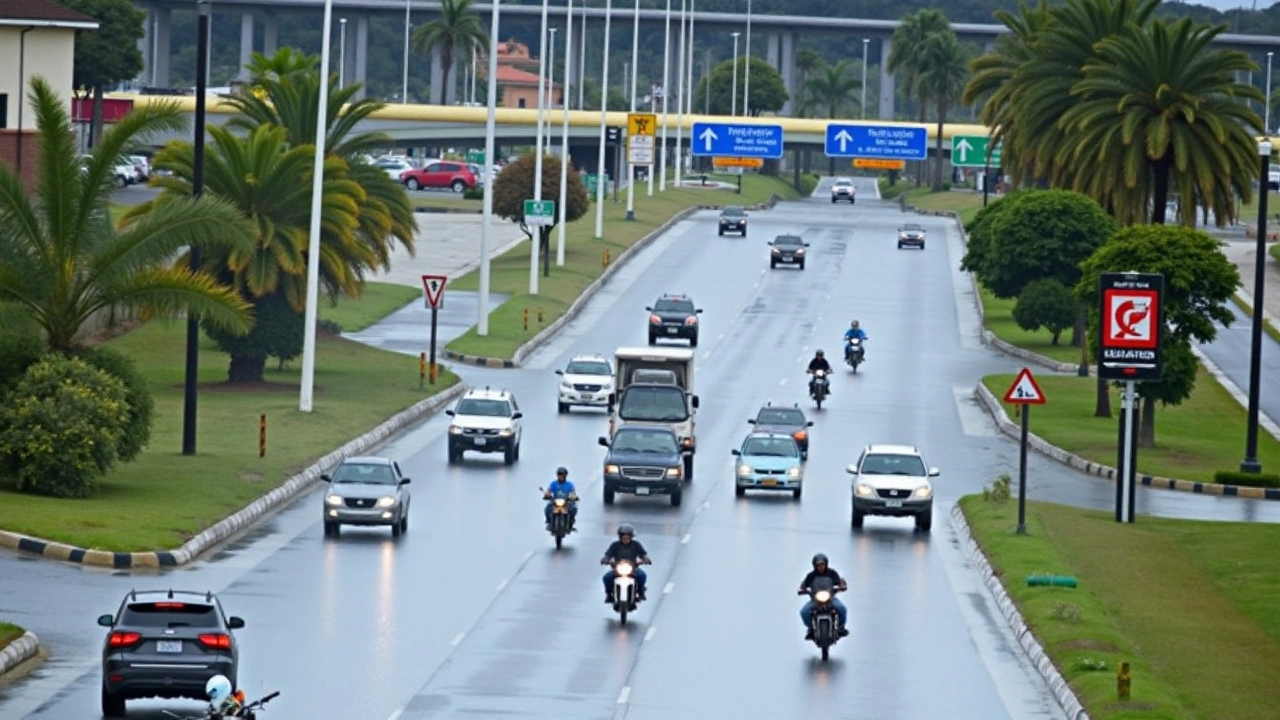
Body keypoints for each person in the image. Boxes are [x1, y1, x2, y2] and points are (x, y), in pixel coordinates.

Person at [798, 553, 849, 639]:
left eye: (822, 564)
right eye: (818, 565)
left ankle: (840, 628)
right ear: (814, 566)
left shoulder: (832, 573)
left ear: (826, 564)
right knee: (804, 612)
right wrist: (802, 589)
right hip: (815, 600)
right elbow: (804, 584)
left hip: (830, 599)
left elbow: (840, 582)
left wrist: (842, 586)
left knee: (842, 608)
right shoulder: (811, 576)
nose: (820, 567)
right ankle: (811, 629)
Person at [601, 524, 651, 603]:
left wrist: (645, 559)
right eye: (624, 537)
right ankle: (609, 594)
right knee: (606, 578)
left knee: (642, 575)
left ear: (631, 537)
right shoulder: (615, 545)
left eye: (628, 537)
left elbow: (642, 554)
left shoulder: (636, 545)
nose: (626, 539)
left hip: (633, 568)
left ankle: (641, 592)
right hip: (618, 569)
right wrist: (606, 559)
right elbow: (608, 554)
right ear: (620, 537)